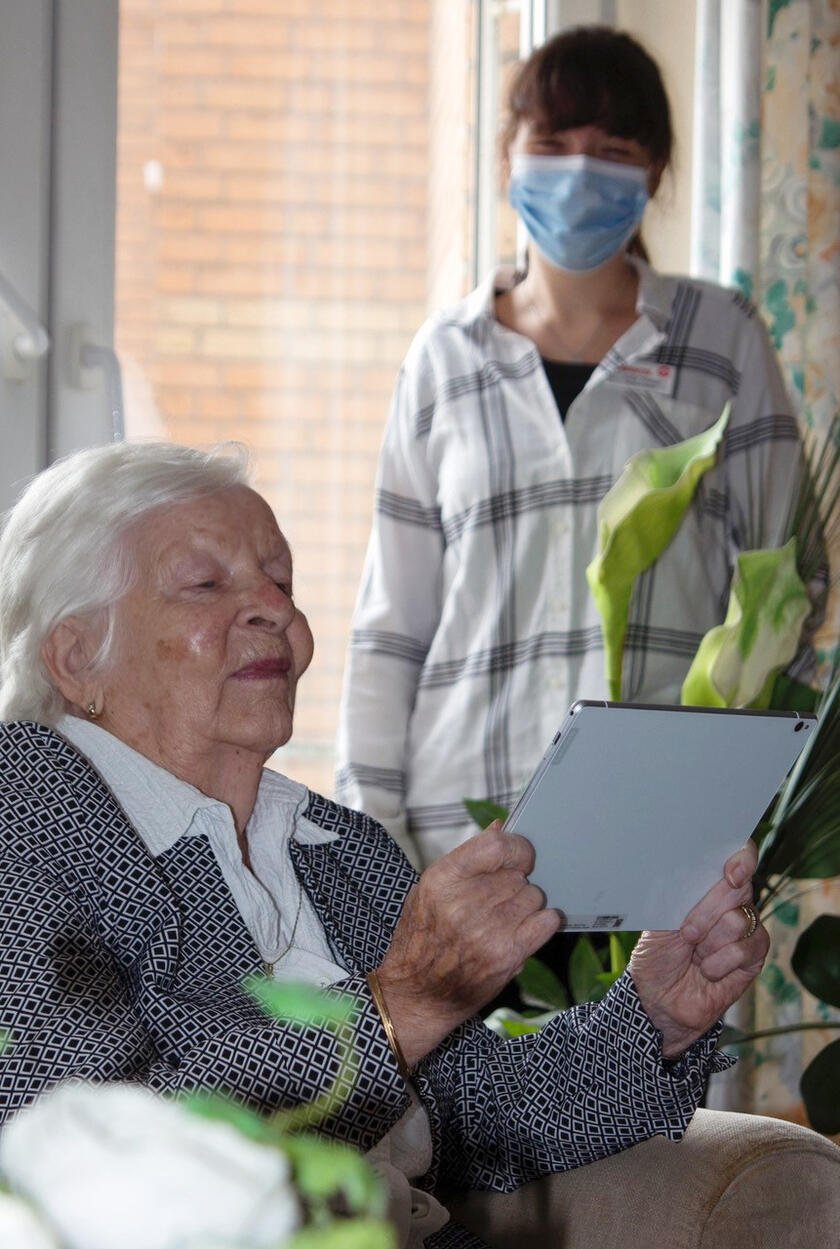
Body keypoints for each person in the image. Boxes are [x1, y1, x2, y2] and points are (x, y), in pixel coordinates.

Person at [0, 440, 771, 1249]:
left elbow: (478, 1116)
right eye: (206, 583)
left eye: (282, 582)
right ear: (76, 655)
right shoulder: (27, 807)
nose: (277, 611)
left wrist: (655, 1017)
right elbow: (71, 1150)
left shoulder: (337, 845)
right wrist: (395, 1010)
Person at [335, 26, 814, 869]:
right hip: (460, 838)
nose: (580, 170)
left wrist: (736, 797)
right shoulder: (443, 357)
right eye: (552, 143)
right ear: (507, 160)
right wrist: (372, 845)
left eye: (614, 147)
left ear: (656, 172)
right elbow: (392, 628)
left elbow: (787, 580)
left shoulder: (721, 339)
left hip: (661, 833)